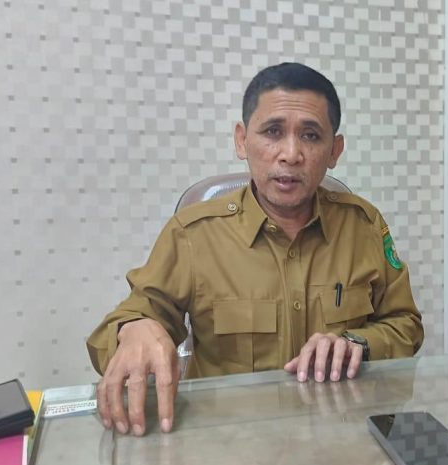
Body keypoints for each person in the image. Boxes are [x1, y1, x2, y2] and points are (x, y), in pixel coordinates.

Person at [87, 62, 423, 437]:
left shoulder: (364, 226)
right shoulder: (194, 234)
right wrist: (134, 330)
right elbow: (126, 322)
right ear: (242, 140)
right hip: (232, 444)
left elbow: (406, 326)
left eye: (311, 135)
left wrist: (358, 343)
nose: (291, 154)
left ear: (335, 150)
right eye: (273, 132)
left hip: (341, 436)